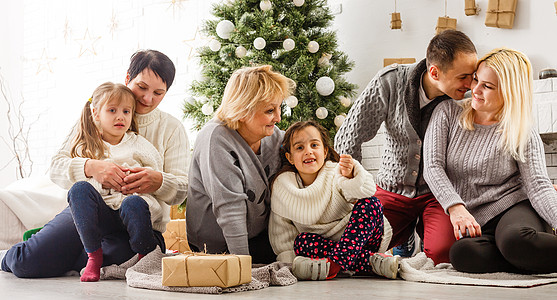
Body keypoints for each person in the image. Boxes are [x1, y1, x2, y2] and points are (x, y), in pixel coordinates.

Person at [1, 50, 190, 278]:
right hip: (89, 213)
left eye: (158, 93)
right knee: (25, 264)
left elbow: (182, 190)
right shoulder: (97, 114)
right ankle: (49, 248)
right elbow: (56, 167)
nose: (147, 98)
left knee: (121, 255)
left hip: (138, 222)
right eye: (142, 87)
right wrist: (91, 167)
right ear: (128, 77)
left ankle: (70, 253)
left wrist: (158, 180)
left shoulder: (171, 128)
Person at [334, 30, 477, 264]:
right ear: (434, 72)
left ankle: (419, 231)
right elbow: (348, 138)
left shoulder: (464, 100)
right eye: (463, 77)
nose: (470, 84)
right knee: (359, 247)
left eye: (472, 75)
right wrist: (355, 189)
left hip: (437, 195)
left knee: (444, 256)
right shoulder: (390, 82)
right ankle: (404, 237)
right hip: (392, 190)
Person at [423, 48, 557, 273]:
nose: (474, 89)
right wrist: (456, 208)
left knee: (515, 241)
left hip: (514, 208)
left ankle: (520, 250)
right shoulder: (446, 113)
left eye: (487, 86)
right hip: (477, 218)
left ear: (509, 92)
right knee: (462, 254)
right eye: (476, 79)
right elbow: (432, 166)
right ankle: (522, 257)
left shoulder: (521, 130)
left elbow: (539, 187)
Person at [186, 65, 294, 264]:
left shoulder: (274, 136)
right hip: (217, 245)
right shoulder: (215, 139)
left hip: (259, 234)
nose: (278, 118)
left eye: (280, 108)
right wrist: (243, 267)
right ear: (243, 111)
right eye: (270, 111)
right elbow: (230, 209)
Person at [269, 120, 398, 280]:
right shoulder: (283, 186)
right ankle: (371, 262)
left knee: (370, 204)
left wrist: (351, 176)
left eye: (314, 145)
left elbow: (365, 191)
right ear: (290, 157)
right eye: (300, 147)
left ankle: (335, 265)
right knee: (302, 241)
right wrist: (290, 266)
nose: (308, 151)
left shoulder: (335, 172)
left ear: (324, 151)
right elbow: (282, 232)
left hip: (362, 238)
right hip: (326, 247)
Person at [64, 82, 165, 282]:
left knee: (133, 203)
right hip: (103, 215)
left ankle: (145, 256)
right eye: (112, 110)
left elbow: (155, 175)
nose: (121, 117)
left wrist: (137, 181)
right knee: (78, 190)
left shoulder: (138, 144)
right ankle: (94, 255)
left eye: (126, 111)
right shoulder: (87, 145)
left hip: (132, 209)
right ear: (96, 113)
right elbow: (71, 177)